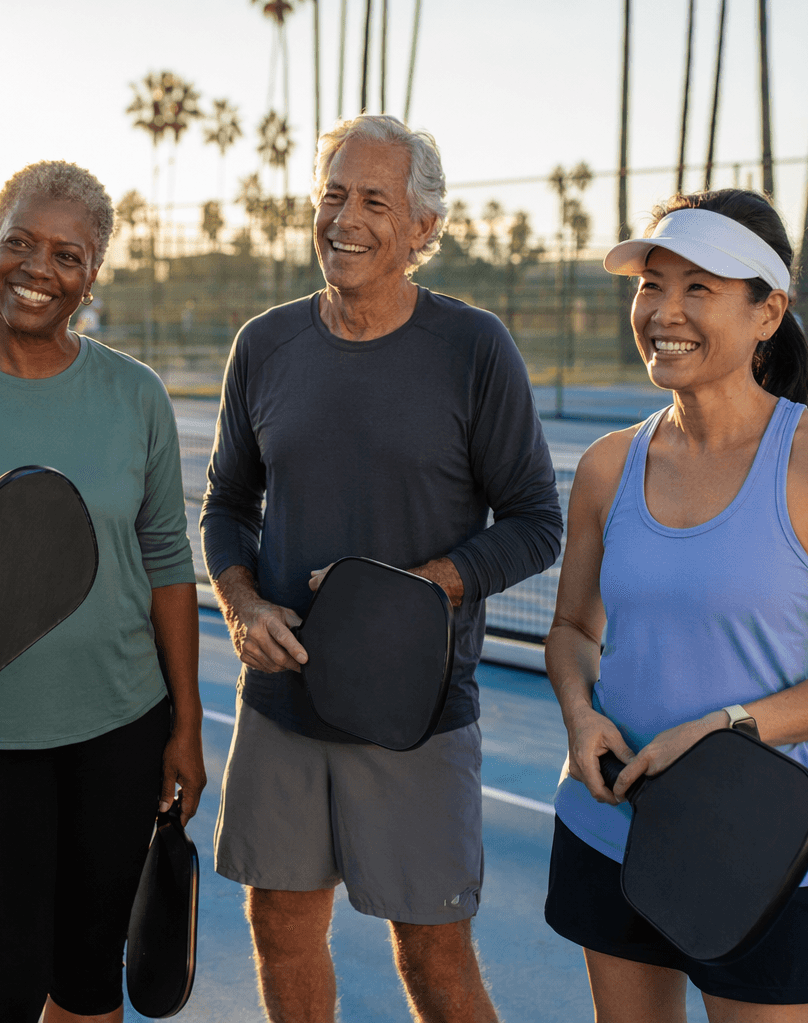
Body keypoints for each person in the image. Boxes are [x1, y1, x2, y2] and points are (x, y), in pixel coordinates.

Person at [202, 114, 563, 1023]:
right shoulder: (265, 345)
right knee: (281, 928)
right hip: (282, 706)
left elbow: (534, 522)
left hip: (418, 715)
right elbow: (225, 507)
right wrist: (242, 604)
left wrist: (412, 591)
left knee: (434, 958)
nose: (344, 218)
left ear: (424, 228)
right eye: (332, 195)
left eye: (373, 199)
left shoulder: (474, 349)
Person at [545, 189, 808, 1022]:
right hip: (608, 828)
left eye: (698, 288)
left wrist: (727, 730)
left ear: (767, 313)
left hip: (755, 853)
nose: (663, 311)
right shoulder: (608, 466)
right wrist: (579, 712)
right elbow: (571, 630)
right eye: (651, 285)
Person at [0, 160, 204, 1023]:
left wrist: (187, 724)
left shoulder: (136, 396)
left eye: (67, 254)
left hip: (122, 732)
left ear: (92, 275)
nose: (38, 270)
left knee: (90, 979)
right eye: (18, 242)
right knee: (5, 991)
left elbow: (168, 559)